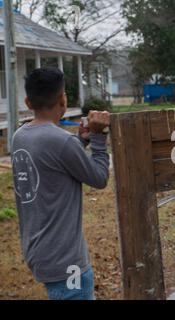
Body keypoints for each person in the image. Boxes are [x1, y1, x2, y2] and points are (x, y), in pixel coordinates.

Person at [11, 68, 111, 300]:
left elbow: (54, 163)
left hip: (39, 253)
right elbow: (99, 178)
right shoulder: (61, 141)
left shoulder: (20, 136)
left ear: (27, 101)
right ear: (63, 99)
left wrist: (80, 141)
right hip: (67, 262)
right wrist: (98, 138)